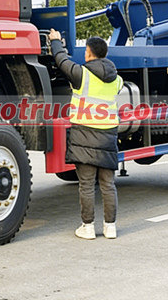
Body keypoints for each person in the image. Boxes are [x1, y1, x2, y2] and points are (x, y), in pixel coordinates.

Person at [48, 28, 123, 240]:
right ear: (105, 54)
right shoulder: (116, 81)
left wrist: (55, 42)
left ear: (88, 53)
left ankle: (88, 227)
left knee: (87, 185)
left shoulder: (82, 75)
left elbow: (61, 60)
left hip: (84, 137)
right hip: (107, 136)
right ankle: (110, 227)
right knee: (108, 185)